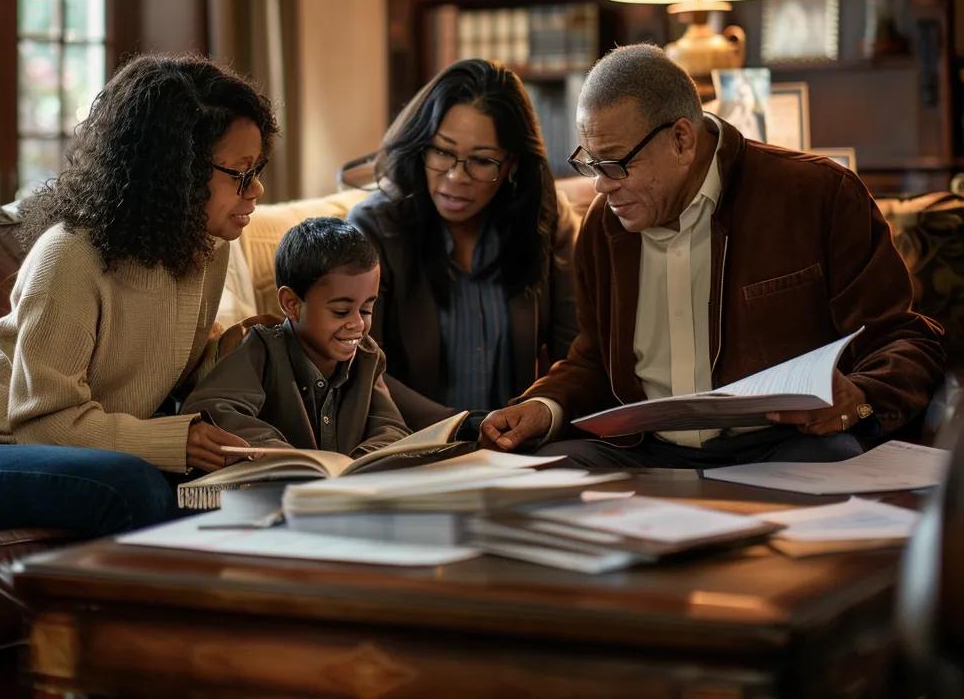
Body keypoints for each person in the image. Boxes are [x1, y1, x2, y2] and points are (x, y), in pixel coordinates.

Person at [480, 43, 945, 468]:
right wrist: (543, 408)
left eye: (616, 163)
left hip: (784, 443)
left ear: (682, 140)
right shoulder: (605, 226)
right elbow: (596, 360)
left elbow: (904, 340)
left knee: (831, 461)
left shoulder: (818, 195)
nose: (601, 185)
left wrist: (859, 396)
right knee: (530, 478)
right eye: (589, 163)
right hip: (644, 450)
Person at [0, 54, 278, 538]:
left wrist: (239, 353)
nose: (257, 190)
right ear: (175, 171)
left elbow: (158, 370)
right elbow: (42, 423)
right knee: (133, 488)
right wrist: (174, 443)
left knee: (246, 492)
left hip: (77, 451)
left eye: (257, 168)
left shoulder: (206, 247)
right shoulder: (70, 256)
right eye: (241, 174)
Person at [348, 59, 579, 431]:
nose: (456, 177)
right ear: (420, 146)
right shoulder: (372, 229)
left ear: (512, 166)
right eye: (442, 151)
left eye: (482, 160)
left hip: (521, 447)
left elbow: (577, 356)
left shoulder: (548, 223)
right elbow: (360, 370)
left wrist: (541, 411)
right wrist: (467, 427)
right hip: (411, 445)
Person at [181, 217, 409, 454]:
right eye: (341, 312)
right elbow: (212, 410)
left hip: (347, 487)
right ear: (292, 304)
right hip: (275, 487)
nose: (358, 324)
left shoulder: (367, 358)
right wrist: (290, 456)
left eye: (366, 309)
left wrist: (360, 462)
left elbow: (392, 428)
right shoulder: (260, 347)